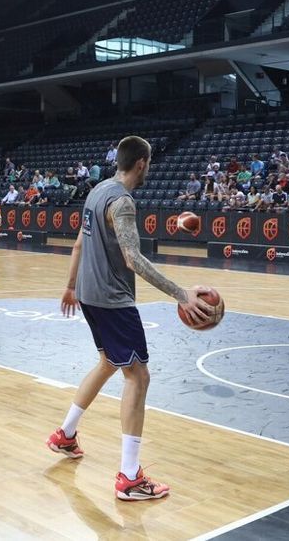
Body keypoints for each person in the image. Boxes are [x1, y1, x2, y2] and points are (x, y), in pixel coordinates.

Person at [47, 136, 215, 501]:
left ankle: (65, 435)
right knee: (138, 376)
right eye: (149, 163)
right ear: (142, 163)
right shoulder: (121, 201)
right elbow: (133, 260)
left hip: (89, 295)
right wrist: (181, 293)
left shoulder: (96, 192)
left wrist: (70, 285)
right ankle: (129, 478)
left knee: (108, 363)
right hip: (111, 300)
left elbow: (78, 243)